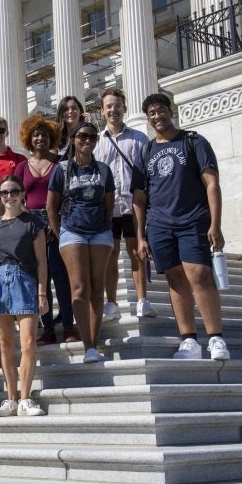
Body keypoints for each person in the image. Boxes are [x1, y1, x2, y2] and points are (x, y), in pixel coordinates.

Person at [132, 93, 230, 361]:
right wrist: (140, 235)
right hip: (160, 225)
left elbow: (212, 183)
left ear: (170, 110)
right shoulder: (146, 151)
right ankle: (189, 340)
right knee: (175, 280)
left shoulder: (193, 141)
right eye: (151, 113)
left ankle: (216, 337)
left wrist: (216, 224)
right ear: (148, 119)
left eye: (161, 110)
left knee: (199, 274)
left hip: (193, 219)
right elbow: (139, 198)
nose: (157, 116)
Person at [47, 122, 116, 364]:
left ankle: (92, 343)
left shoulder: (104, 170)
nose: (88, 140)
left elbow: (109, 203)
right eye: (83, 136)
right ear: (74, 139)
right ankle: (87, 343)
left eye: (93, 137)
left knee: (97, 288)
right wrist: (60, 233)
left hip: (99, 231)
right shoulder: (62, 169)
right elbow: (50, 206)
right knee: (79, 289)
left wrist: (102, 224)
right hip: (72, 231)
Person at [0, 174, 48, 416]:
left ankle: (25, 398)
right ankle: (10, 398)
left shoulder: (33, 222)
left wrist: (42, 292)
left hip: (25, 281)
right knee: (5, 345)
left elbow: (42, 260)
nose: (9, 196)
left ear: (22, 194)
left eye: (14, 191)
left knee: (28, 343)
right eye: (5, 192)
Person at [13, 114, 75, 345]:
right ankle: (48, 327)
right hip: (32, 228)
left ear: (52, 139)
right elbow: (16, 198)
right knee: (42, 281)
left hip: (57, 226)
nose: (40, 139)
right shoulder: (21, 167)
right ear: (30, 138)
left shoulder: (59, 166)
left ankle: (69, 325)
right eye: (36, 135)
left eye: (45, 135)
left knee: (62, 279)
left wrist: (55, 225)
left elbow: (67, 196)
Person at [94, 88, 155, 320]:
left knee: (136, 252)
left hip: (133, 205)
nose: (113, 110)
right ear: (102, 111)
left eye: (117, 105)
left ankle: (142, 300)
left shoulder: (139, 138)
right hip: (108, 207)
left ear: (124, 108)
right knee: (111, 255)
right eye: (109, 106)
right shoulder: (98, 141)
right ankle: (111, 303)